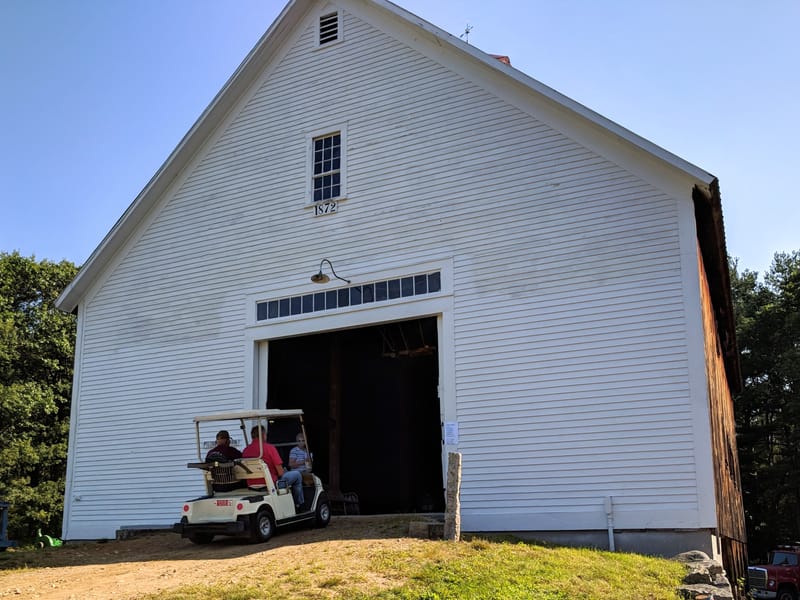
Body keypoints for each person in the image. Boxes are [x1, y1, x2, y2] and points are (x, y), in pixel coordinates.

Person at [242, 426, 304, 508]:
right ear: (263, 435)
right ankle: (299, 504)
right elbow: (281, 473)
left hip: (252, 485)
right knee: (297, 475)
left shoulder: (245, 451)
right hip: (271, 485)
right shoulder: (269, 448)